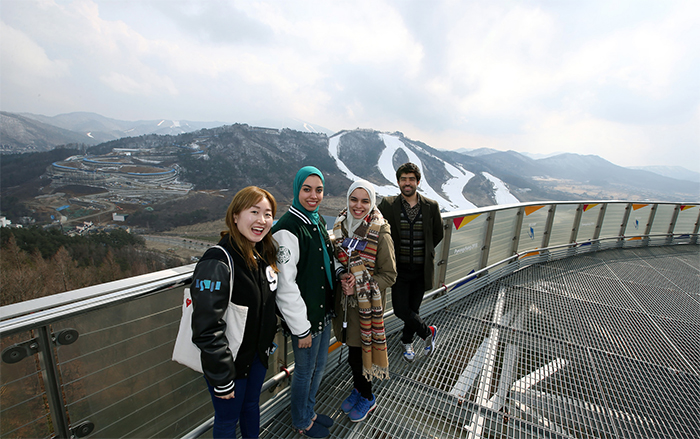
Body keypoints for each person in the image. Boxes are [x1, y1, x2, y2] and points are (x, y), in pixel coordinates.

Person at [191, 186, 280, 438]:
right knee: (227, 419)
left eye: (268, 214)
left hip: (256, 358)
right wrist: (221, 377)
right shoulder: (217, 261)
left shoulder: (261, 253)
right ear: (235, 216)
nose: (262, 220)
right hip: (229, 364)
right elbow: (206, 327)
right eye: (254, 211)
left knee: (252, 406)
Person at [273, 166, 337, 438]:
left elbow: (326, 262)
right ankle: (300, 421)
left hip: (322, 311)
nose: (314, 195)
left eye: (319, 190)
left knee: (319, 367)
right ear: (297, 189)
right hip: (306, 320)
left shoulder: (316, 220)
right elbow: (285, 286)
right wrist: (301, 328)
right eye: (307, 189)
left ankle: (309, 410)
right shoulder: (287, 228)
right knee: (304, 371)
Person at [332, 180, 396, 422]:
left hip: (366, 308)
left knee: (360, 356)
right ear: (348, 199)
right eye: (354, 199)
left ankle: (368, 397)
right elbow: (336, 259)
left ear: (372, 203)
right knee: (352, 354)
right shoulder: (341, 225)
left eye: (365, 201)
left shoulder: (380, 232)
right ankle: (358, 388)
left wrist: (359, 285)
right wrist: (343, 277)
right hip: (345, 305)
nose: (358, 206)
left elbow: (389, 275)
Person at [377, 162, 444, 363]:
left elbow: (437, 233)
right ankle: (427, 332)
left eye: (411, 179)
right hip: (398, 270)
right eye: (404, 179)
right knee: (400, 309)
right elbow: (377, 229)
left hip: (422, 269)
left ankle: (407, 341)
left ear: (418, 182)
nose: (407, 183)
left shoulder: (431, 206)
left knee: (413, 311)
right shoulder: (388, 205)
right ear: (398, 182)